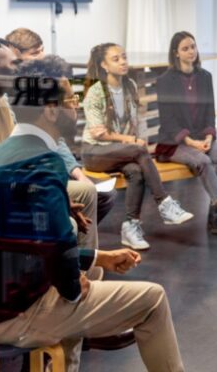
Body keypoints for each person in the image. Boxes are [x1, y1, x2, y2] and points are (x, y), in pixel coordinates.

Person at [0, 57, 185, 372]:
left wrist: (99, 258)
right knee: (152, 299)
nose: (76, 108)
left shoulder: (1, 154)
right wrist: (74, 288)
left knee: (94, 274)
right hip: (10, 316)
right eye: (71, 100)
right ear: (51, 110)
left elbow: (25, 241)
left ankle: (64, 366)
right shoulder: (44, 163)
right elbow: (61, 259)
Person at [0, 28, 117, 223]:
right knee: (87, 195)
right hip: (29, 173)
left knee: (102, 195)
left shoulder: (45, 85)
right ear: (16, 57)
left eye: (42, 50)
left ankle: (76, 241)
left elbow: (55, 137)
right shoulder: (14, 96)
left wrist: (78, 173)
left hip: (48, 164)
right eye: (35, 53)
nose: (42, 56)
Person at [82, 43, 193, 250]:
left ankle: (130, 226)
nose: (123, 61)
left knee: (136, 172)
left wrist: (135, 141)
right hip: (94, 151)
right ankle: (164, 203)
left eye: (124, 57)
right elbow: (99, 132)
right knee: (138, 150)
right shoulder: (95, 92)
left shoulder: (130, 85)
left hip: (119, 151)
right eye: (116, 59)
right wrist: (131, 141)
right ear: (104, 66)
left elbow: (134, 121)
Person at [155, 31, 217, 238]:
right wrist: (191, 141)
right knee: (203, 160)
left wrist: (209, 136)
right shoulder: (165, 80)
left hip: (200, 137)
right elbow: (168, 120)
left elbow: (209, 111)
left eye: (193, 46)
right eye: (185, 48)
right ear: (176, 53)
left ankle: (214, 214)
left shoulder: (205, 77)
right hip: (175, 141)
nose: (191, 51)